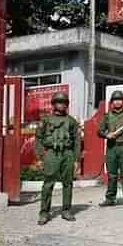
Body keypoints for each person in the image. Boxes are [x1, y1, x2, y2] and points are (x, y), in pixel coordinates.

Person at [35, 91, 82, 225]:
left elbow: (77, 141)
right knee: (48, 183)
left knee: (67, 183)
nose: (61, 105)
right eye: (58, 102)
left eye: (63, 103)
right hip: (51, 153)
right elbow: (38, 139)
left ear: (66, 105)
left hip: (67, 154)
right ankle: (44, 212)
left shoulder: (72, 121)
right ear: (54, 104)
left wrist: (77, 160)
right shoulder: (46, 120)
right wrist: (39, 157)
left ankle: (66, 210)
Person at [98, 90, 123, 207]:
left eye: (119, 100)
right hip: (112, 148)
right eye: (115, 100)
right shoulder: (107, 116)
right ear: (112, 102)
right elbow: (99, 131)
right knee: (112, 175)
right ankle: (110, 198)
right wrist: (106, 135)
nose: (117, 102)